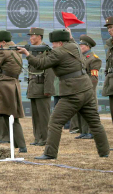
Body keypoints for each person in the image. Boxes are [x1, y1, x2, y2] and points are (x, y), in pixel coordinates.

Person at [18, 29, 110, 159]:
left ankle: (50, 153)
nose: (53, 46)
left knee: (55, 122)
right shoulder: (75, 46)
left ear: (60, 43)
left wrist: (27, 54)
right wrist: (70, 35)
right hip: (86, 89)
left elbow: (40, 64)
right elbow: (71, 41)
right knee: (95, 123)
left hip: (72, 92)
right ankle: (104, 151)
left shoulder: (59, 52)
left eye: (54, 43)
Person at [26, 28, 55, 146]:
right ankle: (37, 138)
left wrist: (48, 89)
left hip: (42, 87)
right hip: (33, 87)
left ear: (39, 37)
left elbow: (49, 71)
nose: (31, 38)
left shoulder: (46, 51)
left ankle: (44, 139)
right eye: (30, 36)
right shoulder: (33, 51)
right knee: (35, 116)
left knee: (44, 116)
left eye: (33, 36)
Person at [75, 35, 102, 139]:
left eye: (82, 45)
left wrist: (89, 89)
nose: (80, 47)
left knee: (91, 111)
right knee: (81, 110)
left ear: (87, 46)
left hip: (88, 88)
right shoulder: (80, 57)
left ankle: (91, 132)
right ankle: (84, 131)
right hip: (80, 87)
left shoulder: (93, 59)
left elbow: (94, 77)